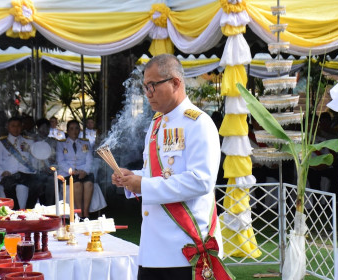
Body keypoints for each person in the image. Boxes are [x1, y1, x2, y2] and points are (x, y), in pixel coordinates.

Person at [111, 54, 229, 280]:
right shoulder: (156, 124)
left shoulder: (199, 123)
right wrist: (132, 178)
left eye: (153, 85)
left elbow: (201, 180)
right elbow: (154, 174)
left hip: (183, 246)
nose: (148, 93)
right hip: (153, 247)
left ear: (175, 83)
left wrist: (144, 185)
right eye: (145, 86)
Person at [0, 117, 39, 209]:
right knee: (10, 185)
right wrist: (2, 172)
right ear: (7, 127)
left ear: (22, 127)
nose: (16, 128)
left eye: (18, 126)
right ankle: (15, 212)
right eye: (13, 126)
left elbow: (34, 161)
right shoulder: (1, 143)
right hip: (9, 175)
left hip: (26, 175)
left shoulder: (29, 141)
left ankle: (27, 212)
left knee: (35, 186)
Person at [56, 120, 94, 218]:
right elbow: (61, 162)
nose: (74, 131)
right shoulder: (61, 144)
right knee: (77, 184)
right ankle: (79, 213)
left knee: (88, 184)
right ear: (67, 130)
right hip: (68, 172)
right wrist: (73, 171)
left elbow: (89, 158)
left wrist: (85, 171)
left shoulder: (85, 142)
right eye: (71, 129)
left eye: (77, 128)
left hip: (83, 171)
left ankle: (86, 212)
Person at [34, 118, 58, 206]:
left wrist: (51, 168)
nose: (45, 131)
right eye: (43, 128)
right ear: (38, 129)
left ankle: (49, 207)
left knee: (52, 182)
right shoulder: (32, 141)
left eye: (47, 128)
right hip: (35, 172)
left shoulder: (53, 142)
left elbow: (55, 160)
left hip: (49, 172)